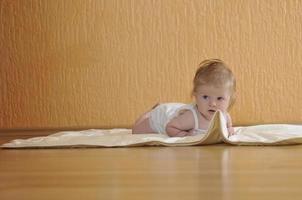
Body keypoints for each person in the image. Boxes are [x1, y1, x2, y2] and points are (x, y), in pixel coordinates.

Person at [132, 59, 236, 137]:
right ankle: (150, 112)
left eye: (220, 98)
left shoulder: (224, 115)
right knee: (136, 131)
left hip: (178, 111)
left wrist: (230, 128)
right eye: (205, 97)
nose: (212, 104)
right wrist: (184, 135)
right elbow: (170, 127)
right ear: (195, 95)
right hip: (163, 116)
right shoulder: (191, 117)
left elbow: (228, 124)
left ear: (229, 99)